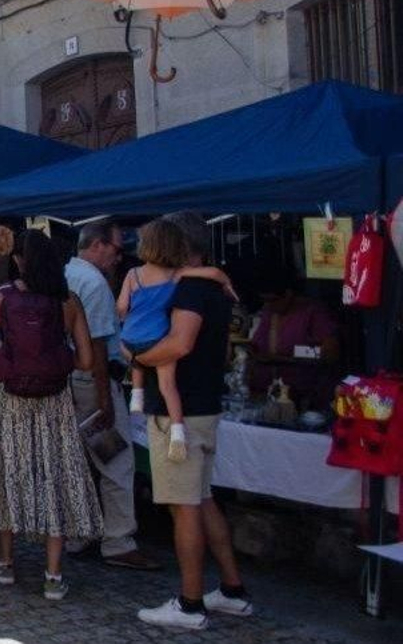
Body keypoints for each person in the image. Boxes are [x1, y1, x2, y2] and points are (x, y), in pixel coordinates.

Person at [134, 212, 252, 631]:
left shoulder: (190, 290)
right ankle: (233, 590)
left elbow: (180, 343)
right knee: (201, 500)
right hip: (204, 405)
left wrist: (138, 357)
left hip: (180, 412)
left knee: (184, 508)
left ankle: (190, 603)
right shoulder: (214, 287)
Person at [0, 229, 102, 601]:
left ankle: (5, 564)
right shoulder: (68, 301)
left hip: (13, 401)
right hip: (56, 403)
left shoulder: (1, 297)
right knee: (56, 477)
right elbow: (85, 360)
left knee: (8, 475)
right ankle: (53, 574)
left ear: (17, 259)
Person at [61, 221, 159, 570]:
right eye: (117, 249)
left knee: (79, 460)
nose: (120, 257)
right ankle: (118, 541)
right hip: (92, 380)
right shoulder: (93, 283)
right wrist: (105, 398)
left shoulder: (66, 273)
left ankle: (78, 532)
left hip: (70, 378)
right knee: (115, 460)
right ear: (98, 245)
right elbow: (99, 344)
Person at [120, 219, 238, 463]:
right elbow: (213, 273)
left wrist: (129, 327)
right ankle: (177, 431)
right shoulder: (177, 276)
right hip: (159, 338)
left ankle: (137, 394)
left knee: (139, 364)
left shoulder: (133, 274)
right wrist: (226, 282)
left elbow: (121, 307)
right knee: (168, 385)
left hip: (134, 336)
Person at [247, 264, 340, 406]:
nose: (268, 305)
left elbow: (330, 354)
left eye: (272, 300)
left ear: (288, 294)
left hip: (305, 397)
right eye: (265, 301)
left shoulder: (314, 313)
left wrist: (285, 358)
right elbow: (258, 345)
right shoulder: (269, 312)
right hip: (267, 394)